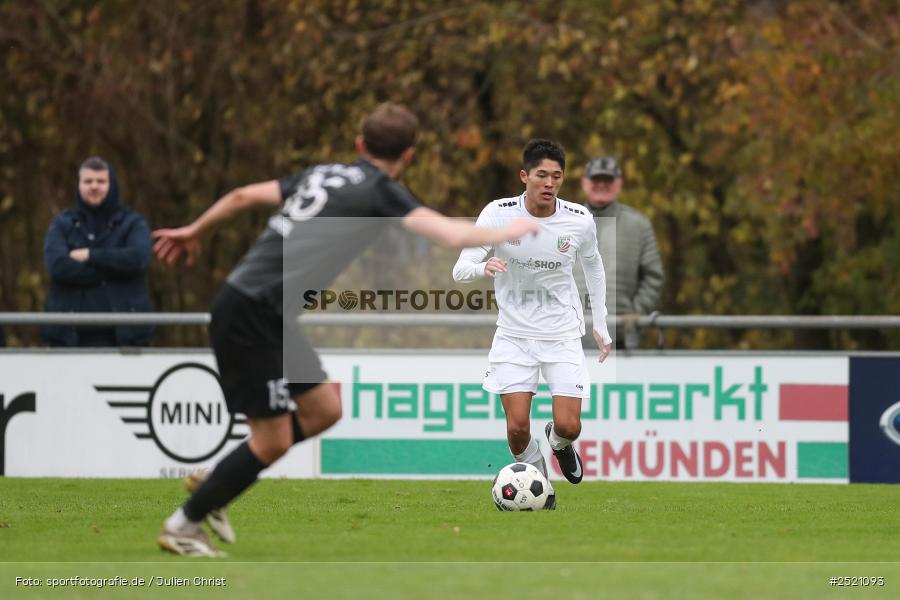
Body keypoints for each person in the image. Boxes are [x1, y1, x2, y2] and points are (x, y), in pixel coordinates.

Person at [151, 103, 539, 557]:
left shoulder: (319, 174)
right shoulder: (380, 190)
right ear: (408, 155)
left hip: (255, 308)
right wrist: (515, 227)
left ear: (359, 144)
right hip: (254, 314)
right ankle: (184, 523)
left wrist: (194, 230)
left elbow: (240, 196)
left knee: (323, 410)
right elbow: (450, 236)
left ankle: (219, 481)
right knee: (273, 439)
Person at [452, 139, 613, 508]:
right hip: (513, 336)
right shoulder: (498, 214)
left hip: (561, 334)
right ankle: (542, 484)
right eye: (542, 175)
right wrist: (483, 266)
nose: (550, 183)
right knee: (516, 428)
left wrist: (600, 322)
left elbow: (593, 264)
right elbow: (460, 269)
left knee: (570, 425)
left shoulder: (578, 219)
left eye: (557, 176)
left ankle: (558, 443)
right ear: (525, 176)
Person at [41, 157, 153, 347]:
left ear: (112, 184)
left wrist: (90, 256)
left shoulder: (133, 223)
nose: (94, 186)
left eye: (101, 181)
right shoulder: (62, 223)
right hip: (67, 341)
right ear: (79, 185)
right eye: (88, 181)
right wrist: (114, 268)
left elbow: (138, 259)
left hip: (127, 341)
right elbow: (57, 265)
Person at [581, 155, 664, 349]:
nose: (601, 184)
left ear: (618, 184)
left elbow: (654, 277)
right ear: (584, 182)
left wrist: (636, 312)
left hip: (621, 339)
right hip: (566, 339)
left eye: (608, 180)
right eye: (595, 179)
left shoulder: (639, 225)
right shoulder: (565, 222)